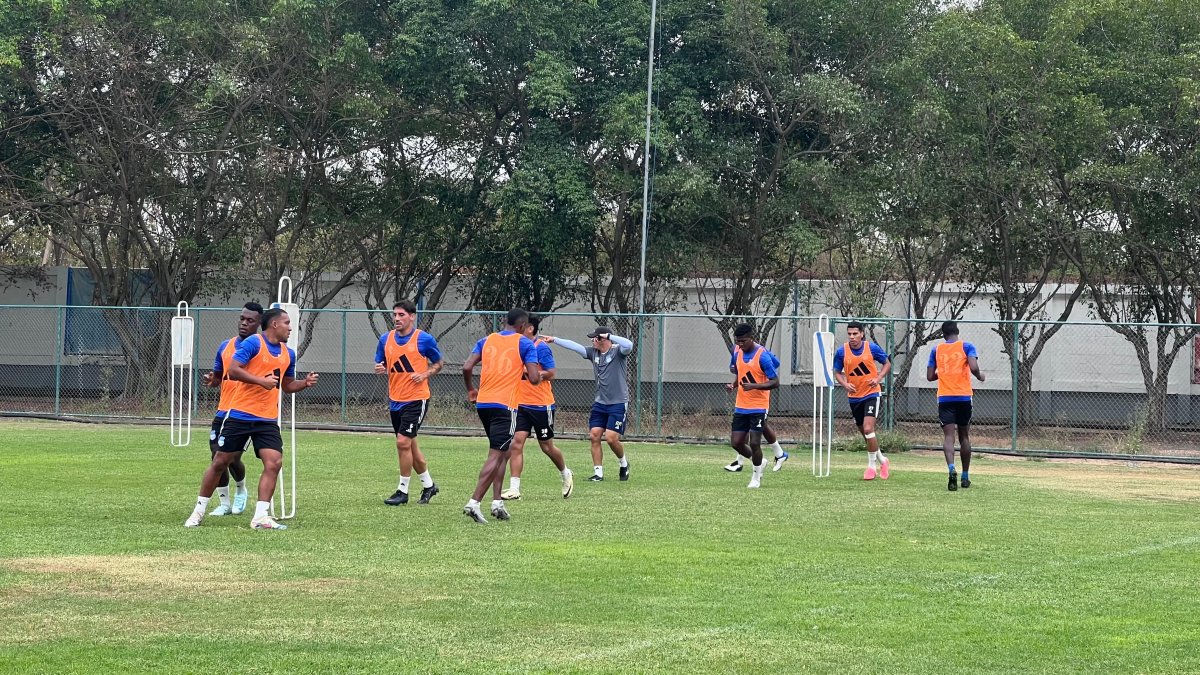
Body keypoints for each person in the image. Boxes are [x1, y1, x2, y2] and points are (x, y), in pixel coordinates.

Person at [185, 308, 318, 530]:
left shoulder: (289, 354)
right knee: (220, 462)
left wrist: (304, 383)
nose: (290, 327)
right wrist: (260, 381)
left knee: (274, 462)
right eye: (287, 323)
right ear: (274, 325)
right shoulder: (254, 344)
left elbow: (286, 385)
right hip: (239, 414)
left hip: (267, 420)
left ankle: (260, 517)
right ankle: (198, 511)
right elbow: (234, 370)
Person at [461, 308, 541, 524]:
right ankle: (474, 502)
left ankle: (497, 503)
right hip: (505, 405)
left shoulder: (487, 340)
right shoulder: (524, 343)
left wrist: (471, 390)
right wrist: (536, 375)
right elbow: (534, 378)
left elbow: (467, 366)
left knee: (503, 452)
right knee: (496, 455)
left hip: (484, 403)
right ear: (523, 326)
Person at [374, 300, 442, 507]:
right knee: (410, 445)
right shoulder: (385, 339)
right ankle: (429, 485)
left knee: (403, 442)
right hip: (395, 399)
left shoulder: (424, 339)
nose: (397, 318)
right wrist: (379, 367)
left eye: (401, 315)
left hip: (416, 398)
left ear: (412, 316)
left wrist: (425, 373)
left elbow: (439, 363)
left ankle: (402, 491)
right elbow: (382, 363)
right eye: (395, 315)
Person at [543, 325, 633, 482]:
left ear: (603, 339)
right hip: (600, 402)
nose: (592, 341)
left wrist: (610, 337)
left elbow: (629, 345)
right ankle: (598, 473)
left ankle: (624, 463)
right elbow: (575, 346)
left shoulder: (618, 351)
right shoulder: (593, 353)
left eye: (595, 338)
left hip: (618, 402)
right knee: (594, 435)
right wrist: (555, 340)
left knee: (611, 438)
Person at [199, 302, 262, 517]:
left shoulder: (260, 348)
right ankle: (224, 503)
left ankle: (241, 489)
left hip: (244, 413)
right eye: (242, 318)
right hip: (223, 411)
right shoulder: (225, 346)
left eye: (250, 320)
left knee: (232, 458)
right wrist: (211, 379)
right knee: (216, 456)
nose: (244, 323)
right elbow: (218, 376)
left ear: (259, 323)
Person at [501, 315, 574, 501]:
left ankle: (565, 473)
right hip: (520, 404)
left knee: (547, 447)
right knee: (516, 443)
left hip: (541, 405)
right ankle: (514, 488)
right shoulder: (517, 345)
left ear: (530, 328)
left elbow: (551, 373)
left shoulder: (541, 348)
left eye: (522, 326)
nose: (517, 329)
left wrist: (529, 372)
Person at [927, 320, 985, 491]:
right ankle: (965, 476)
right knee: (964, 436)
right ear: (957, 332)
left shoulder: (936, 350)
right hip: (964, 397)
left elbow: (930, 376)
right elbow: (973, 367)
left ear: (943, 334)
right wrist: (980, 375)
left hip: (945, 397)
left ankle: (951, 469)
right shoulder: (967, 346)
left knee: (948, 437)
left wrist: (944, 373)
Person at [833, 321, 893, 481]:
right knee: (866, 434)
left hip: (872, 394)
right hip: (854, 397)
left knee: (868, 429)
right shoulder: (841, 351)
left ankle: (871, 467)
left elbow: (887, 363)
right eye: (849, 334)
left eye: (855, 334)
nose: (852, 337)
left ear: (862, 334)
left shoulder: (871, 348)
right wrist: (845, 384)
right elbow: (837, 372)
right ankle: (883, 460)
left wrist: (878, 378)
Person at [724, 323, 779, 489]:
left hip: (759, 406)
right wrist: (734, 385)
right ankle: (760, 462)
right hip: (741, 405)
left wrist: (755, 386)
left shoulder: (763, 356)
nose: (740, 345)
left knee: (755, 443)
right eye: (738, 341)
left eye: (743, 341)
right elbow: (741, 373)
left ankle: (756, 477)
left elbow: (775, 382)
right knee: (737, 443)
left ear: (751, 338)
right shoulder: (738, 352)